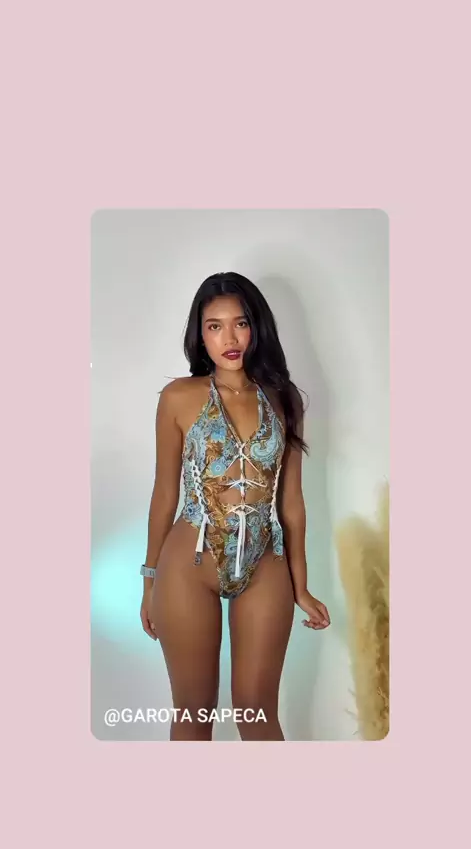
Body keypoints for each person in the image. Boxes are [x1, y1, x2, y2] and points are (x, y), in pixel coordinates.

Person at [140, 272, 330, 741]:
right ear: (200, 334)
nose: (229, 338)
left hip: (264, 561)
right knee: (193, 714)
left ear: (256, 327)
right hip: (189, 563)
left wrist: (301, 587)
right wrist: (149, 582)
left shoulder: (284, 398)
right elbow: (164, 493)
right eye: (214, 326)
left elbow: (292, 502)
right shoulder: (179, 397)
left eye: (240, 323)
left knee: (257, 714)